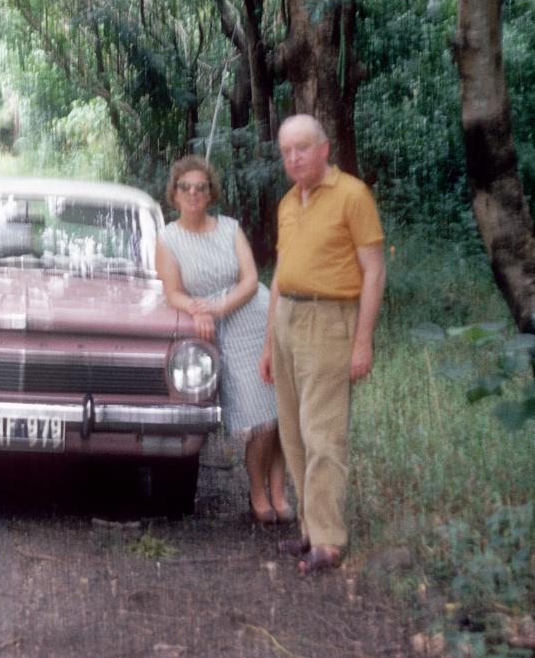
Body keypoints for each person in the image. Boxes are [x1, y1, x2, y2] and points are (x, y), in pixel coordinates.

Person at [257, 114, 386, 575]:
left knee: (322, 432)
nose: (294, 158)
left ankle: (329, 541)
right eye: (287, 152)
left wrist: (362, 341)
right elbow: (279, 277)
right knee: (292, 432)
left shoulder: (353, 194)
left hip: (330, 321)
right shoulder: (289, 203)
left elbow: (374, 270)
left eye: (303, 149)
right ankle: (311, 529)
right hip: (289, 318)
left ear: (324, 149)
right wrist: (270, 343)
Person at [156, 156, 291, 525]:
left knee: (281, 412)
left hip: (257, 314)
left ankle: (279, 491)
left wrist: (217, 307)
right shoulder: (167, 238)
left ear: (211, 191)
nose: (194, 194)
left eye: (201, 187)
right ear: (175, 193)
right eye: (186, 187)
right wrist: (201, 312)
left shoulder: (230, 228)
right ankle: (257, 491)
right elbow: (173, 293)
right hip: (221, 333)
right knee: (261, 419)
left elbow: (250, 280)